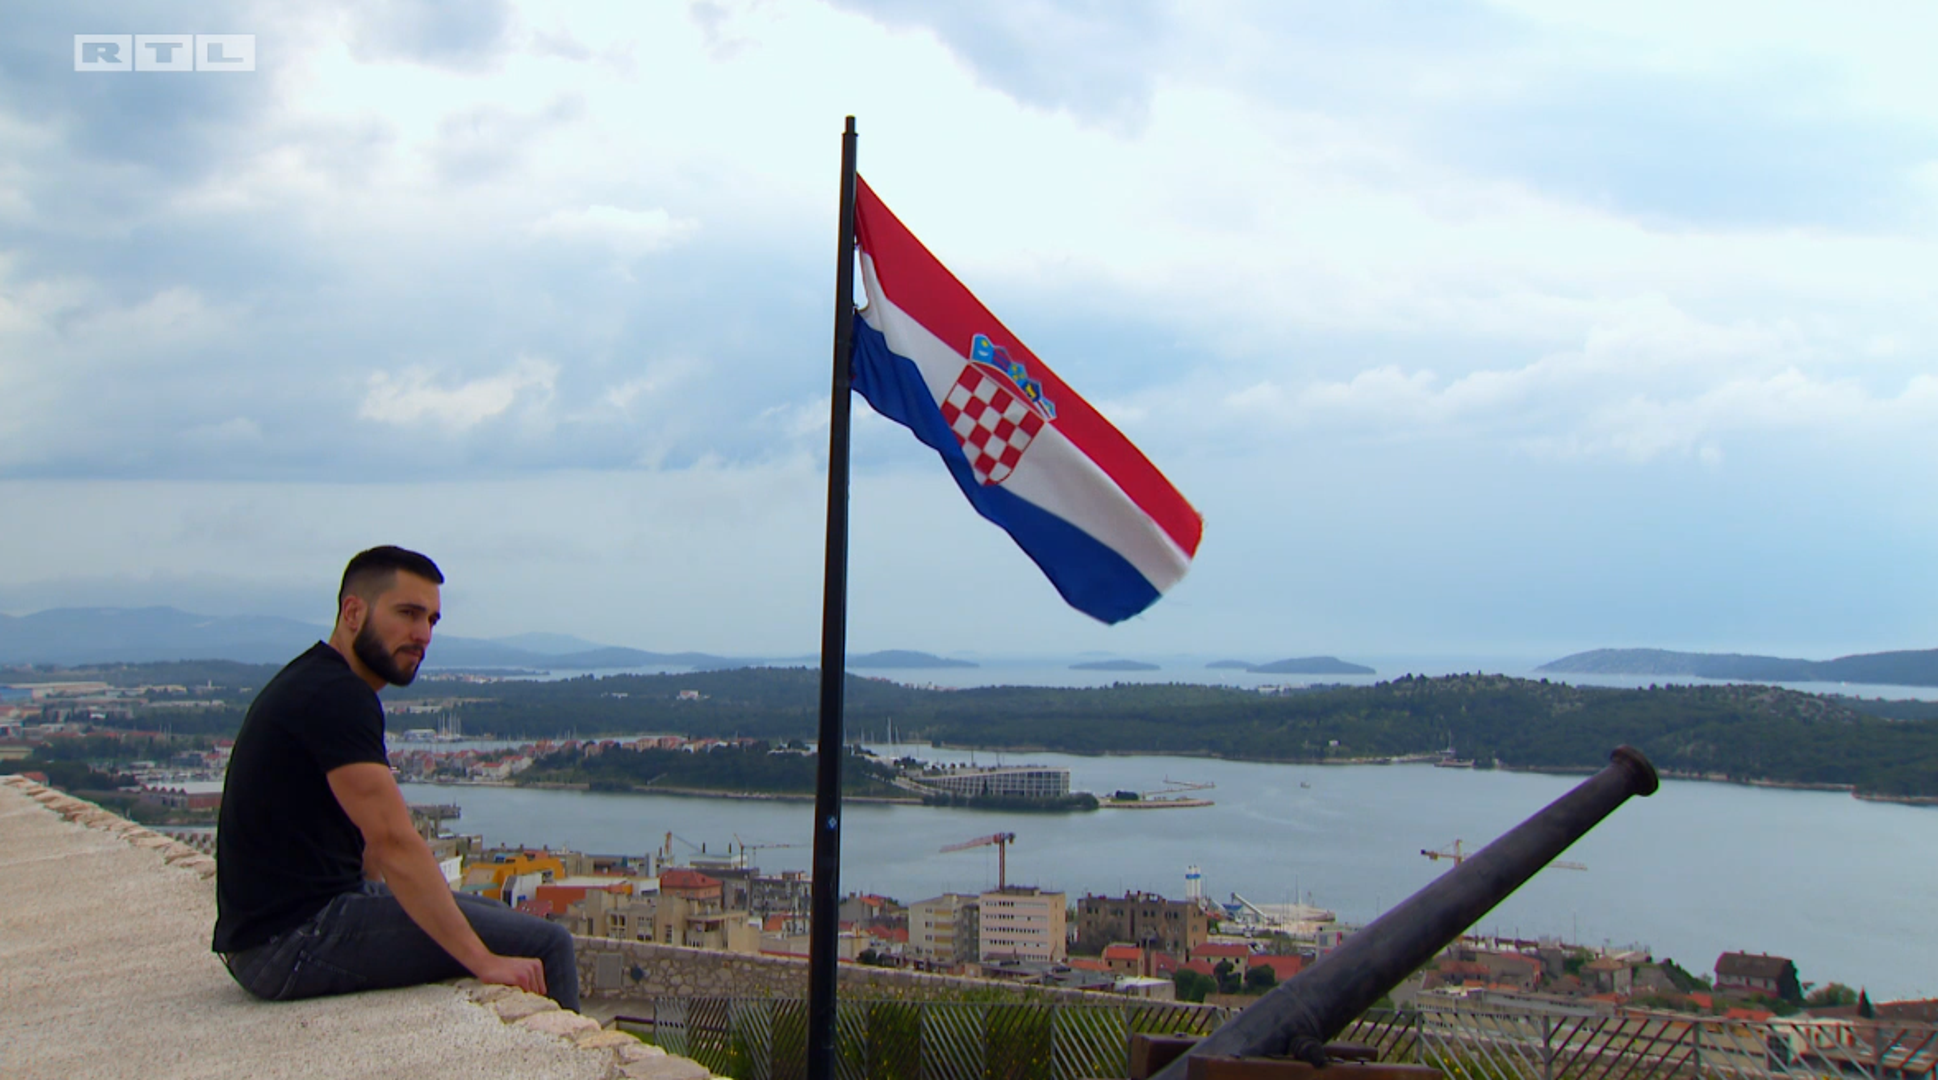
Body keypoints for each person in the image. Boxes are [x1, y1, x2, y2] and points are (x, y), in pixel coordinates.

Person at [211, 545, 577, 1009]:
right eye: (407, 613)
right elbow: (392, 841)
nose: (422, 634)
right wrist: (483, 961)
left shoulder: (318, 680)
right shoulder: (337, 695)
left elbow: (364, 839)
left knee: (493, 914)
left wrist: (387, 903)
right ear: (353, 612)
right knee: (546, 943)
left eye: (431, 620)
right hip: (289, 943)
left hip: (277, 932)